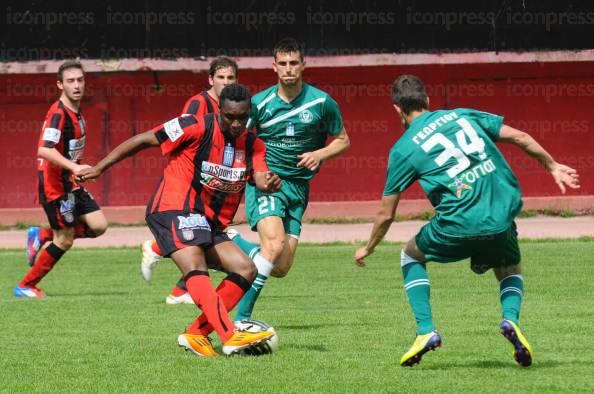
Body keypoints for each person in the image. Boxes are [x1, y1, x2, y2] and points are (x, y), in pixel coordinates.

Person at [354, 75, 580, 367]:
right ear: (428, 101)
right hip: (499, 218)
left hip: (456, 224)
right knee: (509, 266)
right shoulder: (461, 115)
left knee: (410, 255)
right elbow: (520, 137)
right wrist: (553, 166)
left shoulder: (403, 149)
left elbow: (386, 213)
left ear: (397, 109)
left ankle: (425, 331)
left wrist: (369, 247)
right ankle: (510, 319)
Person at [78, 84, 281, 356]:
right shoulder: (194, 126)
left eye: (241, 118)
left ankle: (197, 334)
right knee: (196, 266)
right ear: (219, 110)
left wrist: (268, 184)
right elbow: (143, 139)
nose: (235, 123)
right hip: (173, 208)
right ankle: (229, 335)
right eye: (229, 116)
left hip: (209, 224)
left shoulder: (254, 145)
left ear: (249, 114)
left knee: (246, 269)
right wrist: (99, 168)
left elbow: (259, 177)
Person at [229, 37, 350, 321]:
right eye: (282, 64)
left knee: (281, 266)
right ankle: (241, 320)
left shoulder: (322, 102)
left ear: (303, 65)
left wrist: (320, 154)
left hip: (298, 188)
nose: (288, 69)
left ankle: (231, 240)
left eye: (293, 63)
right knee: (273, 247)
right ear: (273, 67)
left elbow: (343, 141)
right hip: (269, 182)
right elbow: (240, 143)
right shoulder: (259, 103)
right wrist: (253, 175)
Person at [140, 56, 239, 305]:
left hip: (213, 184)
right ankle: (158, 252)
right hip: (191, 186)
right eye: (221, 77)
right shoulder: (198, 104)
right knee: (204, 238)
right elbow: (183, 137)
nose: (226, 83)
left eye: (230, 78)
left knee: (205, 239)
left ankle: (177, 287)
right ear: (210, 79)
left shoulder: (233, 107)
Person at [17, 60, 108, 298]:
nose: (76, 85)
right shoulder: (58, 114)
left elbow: (70, 151)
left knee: (99, 225)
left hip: (71, 181)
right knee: (65, 240)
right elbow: (44, 149)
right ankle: (26, 286)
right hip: (54, 185)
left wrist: (80, 170)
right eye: (70, 81)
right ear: (60, 84)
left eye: (80, 80)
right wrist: (73, 168)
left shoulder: (77, 114)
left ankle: (43, 234)